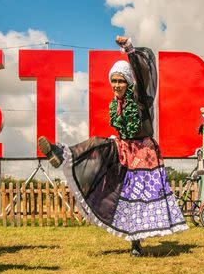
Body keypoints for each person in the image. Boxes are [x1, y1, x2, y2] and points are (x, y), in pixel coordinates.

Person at [37, 37, 188, 256]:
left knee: (137, 197)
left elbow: (143, 76)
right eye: (114, 81)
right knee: (98, 144)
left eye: (121, 81)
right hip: (124, 147)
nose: (116, 85)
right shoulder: (115, 104)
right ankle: (62, 152)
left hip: (144, 153)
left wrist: (129, 50)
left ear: (129, 82)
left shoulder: (140, 98)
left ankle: (136, 243)